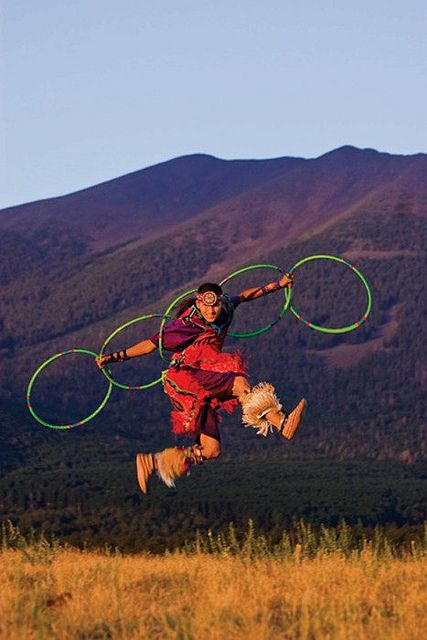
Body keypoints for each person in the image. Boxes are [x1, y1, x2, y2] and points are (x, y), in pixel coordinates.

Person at [96, 274, 306, 493]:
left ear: (220, 302)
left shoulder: (224, 308)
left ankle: (154, 462)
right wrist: (113, 357)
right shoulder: (188, 325)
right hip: (187, 376)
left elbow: (244, 296)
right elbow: (150, 344)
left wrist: (277, 286)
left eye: (215, 306)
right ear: (198, 303)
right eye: (207, 308)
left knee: (211, 449)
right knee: (240, 384)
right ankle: (281, 422)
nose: (212, 312)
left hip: (204, 377)